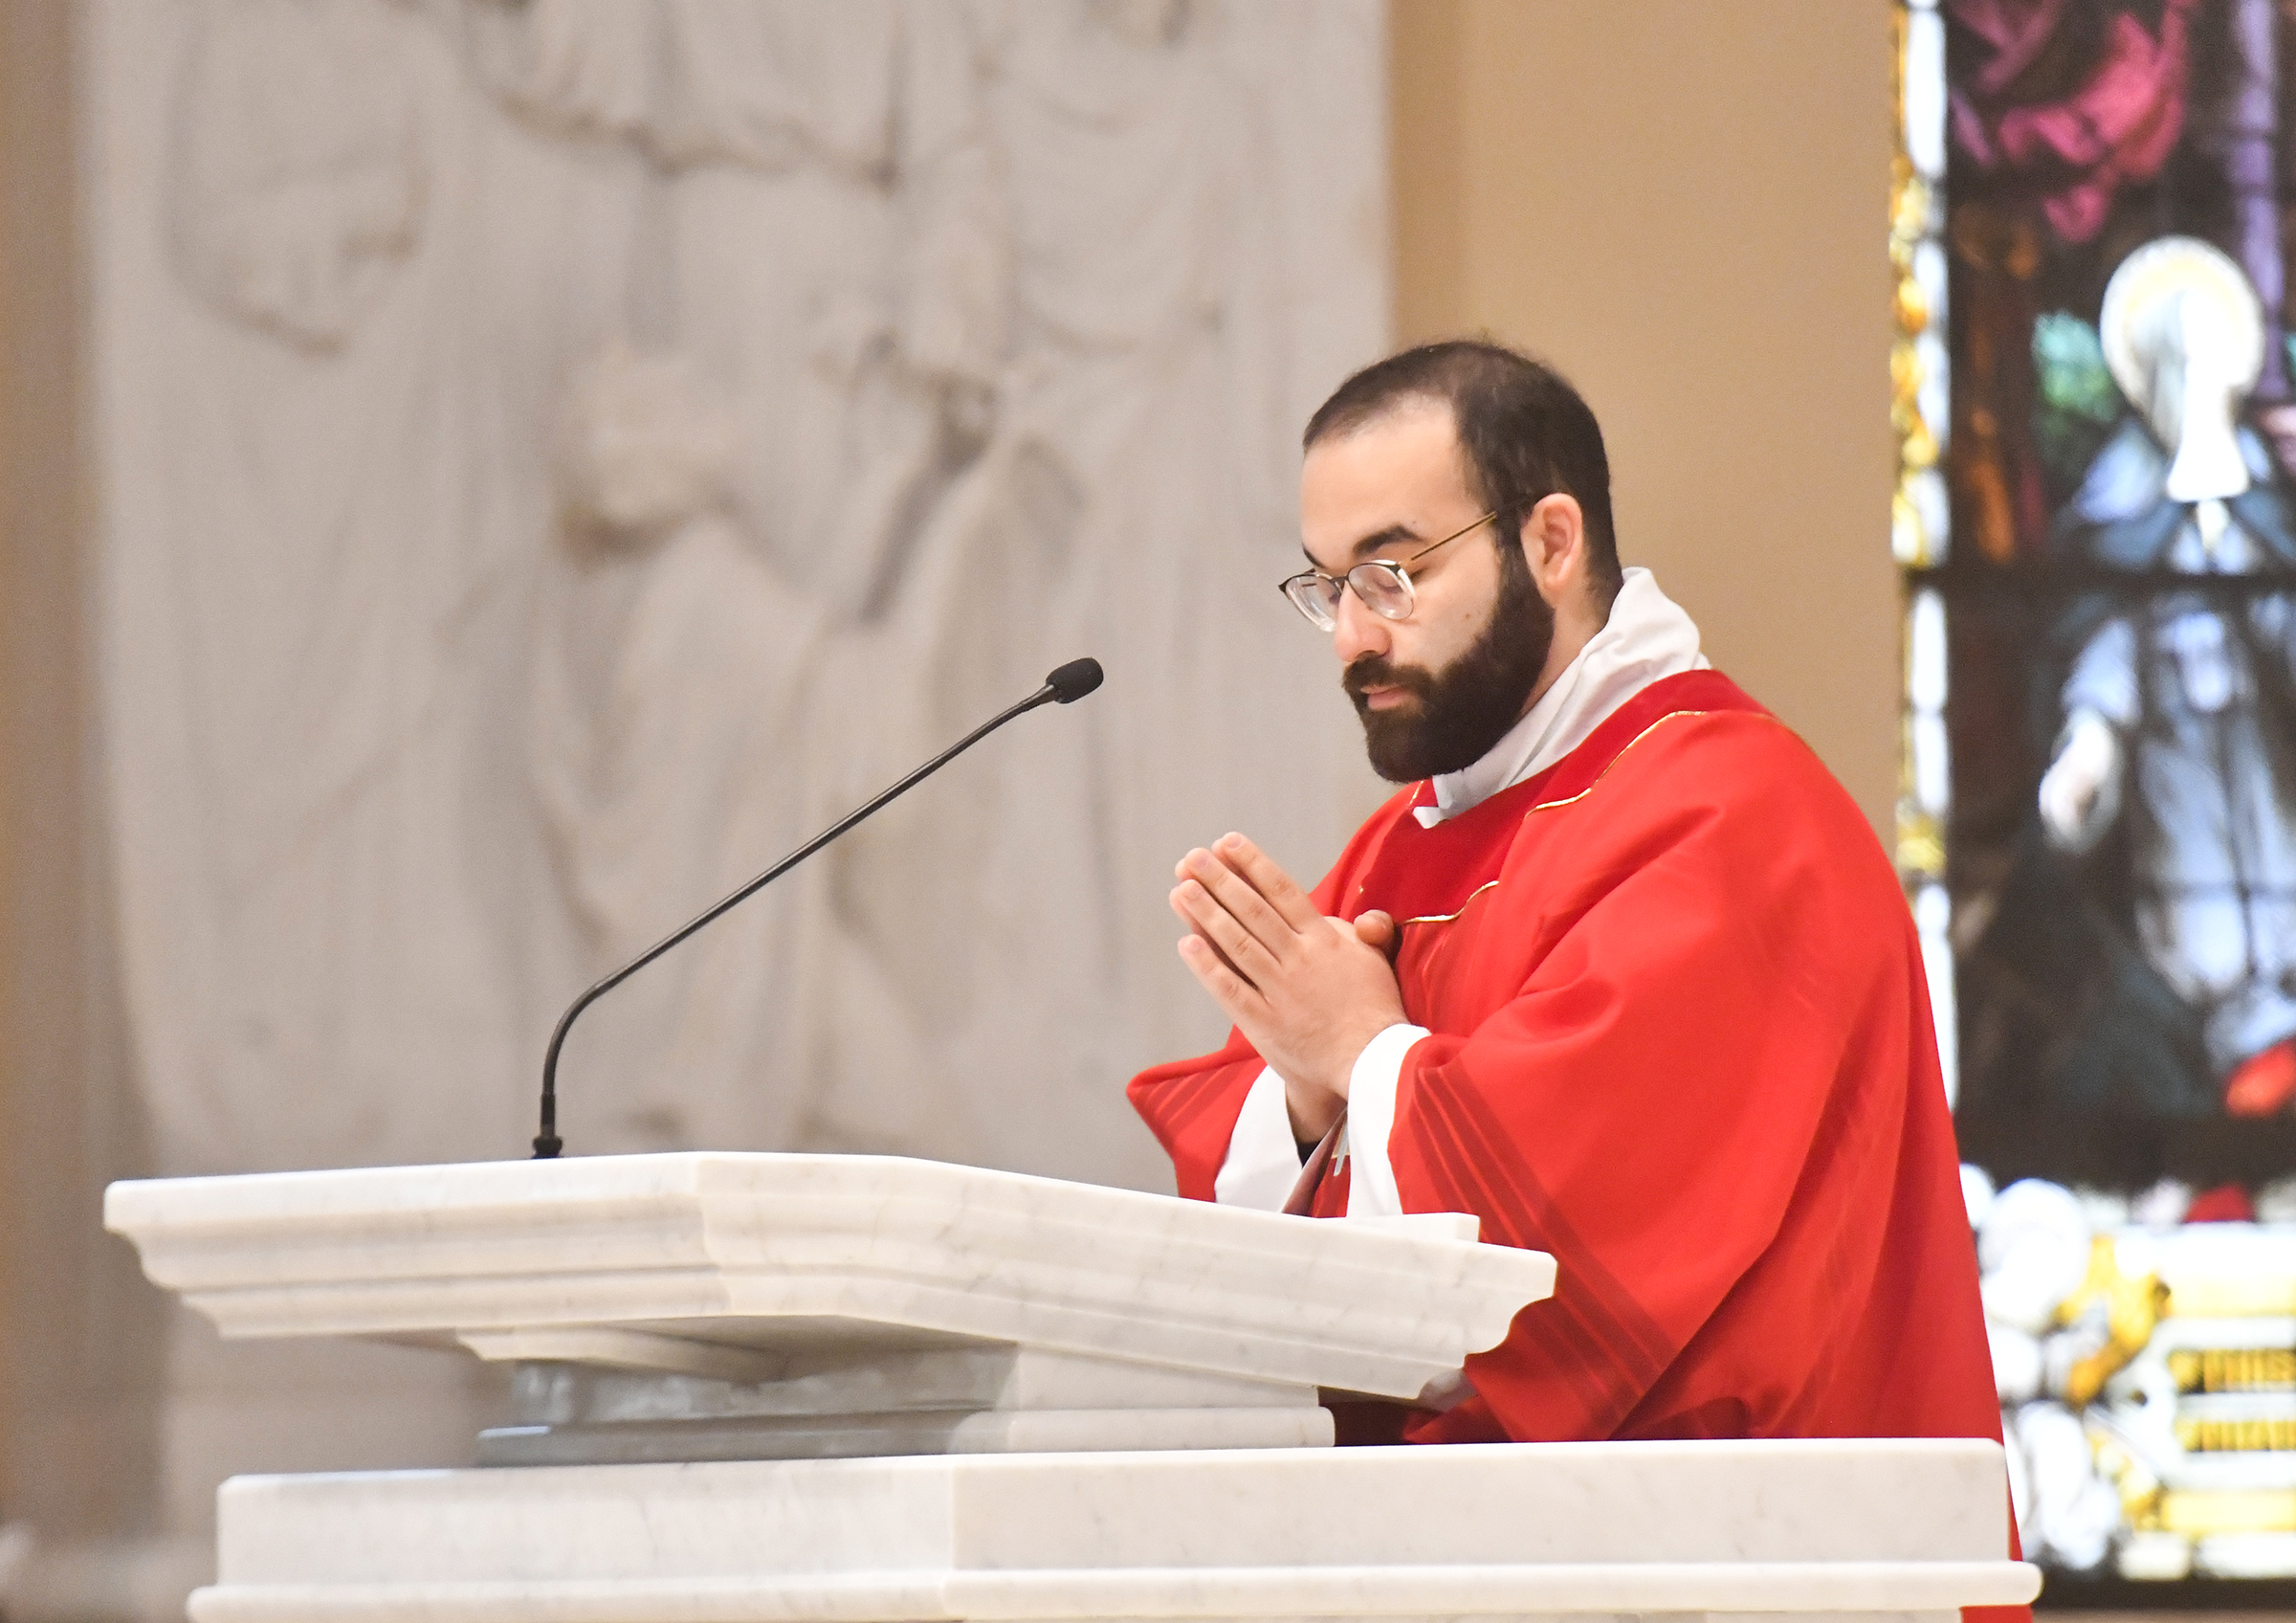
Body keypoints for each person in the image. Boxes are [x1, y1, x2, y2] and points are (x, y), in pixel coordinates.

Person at [1127, 342, 2008, 1471]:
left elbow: (1584, 1257)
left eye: (1394, 574)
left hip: (1747, 1549)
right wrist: (1305, 1097)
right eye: (1330, 585)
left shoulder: (1732, 817)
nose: (1354, 635)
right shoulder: (1399, 850)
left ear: (1550, 541)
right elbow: (1252, 1301)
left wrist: (1363, 1054)